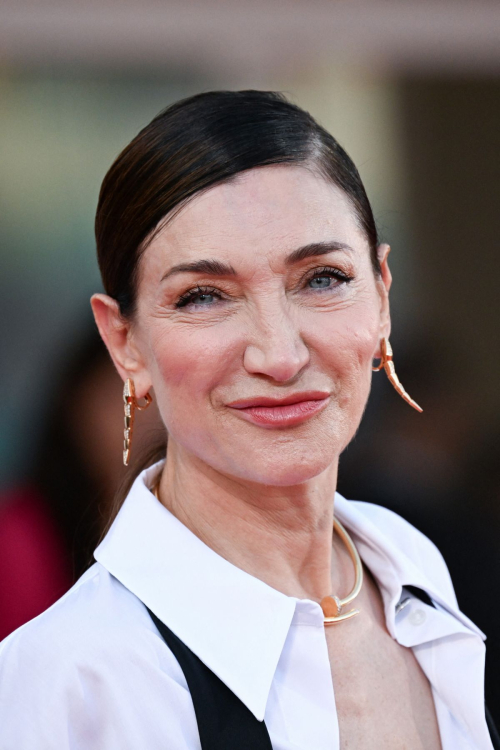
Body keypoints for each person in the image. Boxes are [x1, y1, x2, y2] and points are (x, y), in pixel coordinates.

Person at [0, 90, 497, 750]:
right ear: (125, 342)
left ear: (381, 295)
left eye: (321, 278)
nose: (280, 354)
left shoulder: (410, 569)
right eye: (204, 296)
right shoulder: (69, 681)